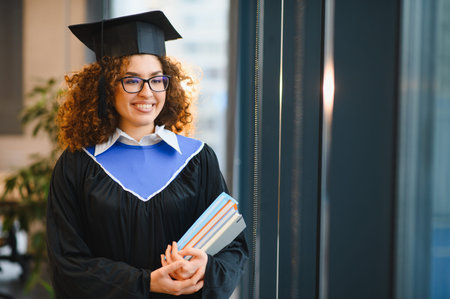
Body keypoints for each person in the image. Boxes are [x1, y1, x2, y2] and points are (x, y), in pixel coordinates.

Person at [46, 10, 248, 298]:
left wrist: (206, 266)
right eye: (131, 80)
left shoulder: (198, 159)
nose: (146, 93)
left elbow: (234, 247)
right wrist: (145, 283)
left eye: (156, 80)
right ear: (106, 86)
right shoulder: (78, 164)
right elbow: (66, 261)